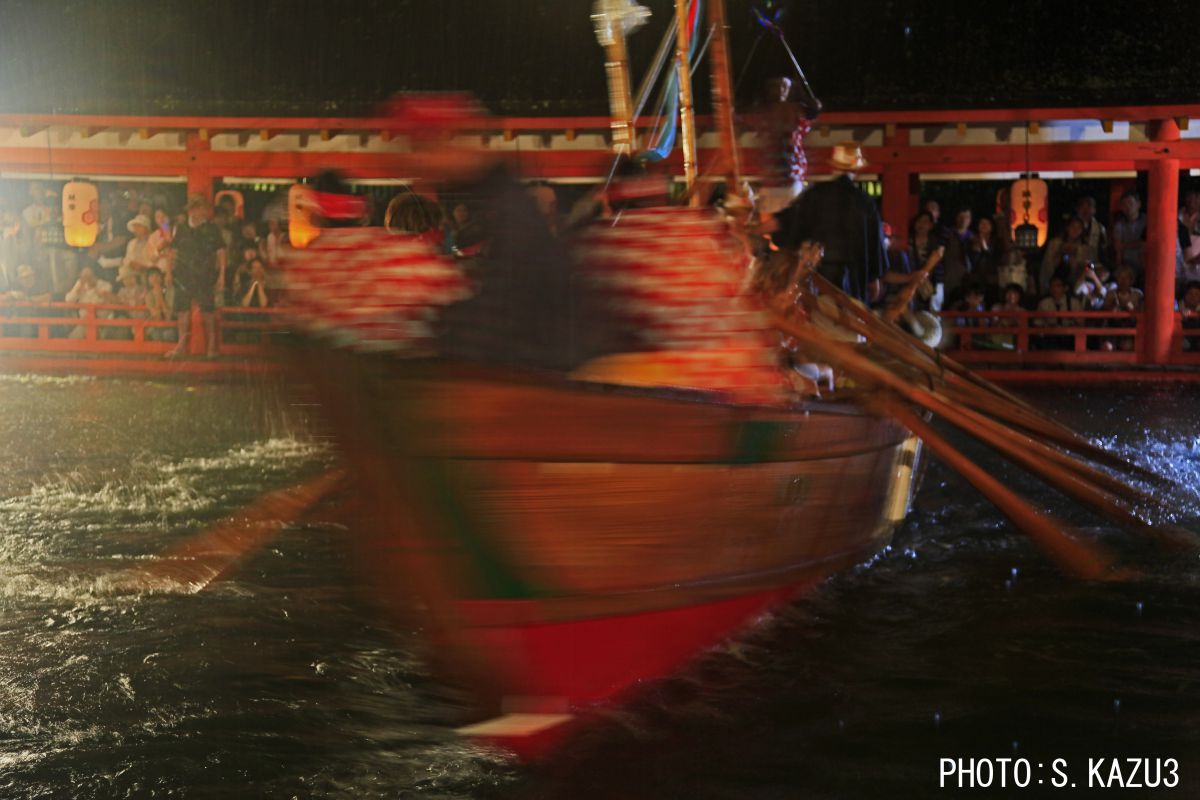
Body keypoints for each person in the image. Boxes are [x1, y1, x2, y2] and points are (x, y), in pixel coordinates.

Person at [772, 142, 886, 304]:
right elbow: (874, 244)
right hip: (854, 279)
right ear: (856, 170)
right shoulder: (865, 202)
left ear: (834, 167)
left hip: (819, 275)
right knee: (851, 314)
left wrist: (753, 229)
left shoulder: (817, 193)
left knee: (817, 311)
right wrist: (873, 277)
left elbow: (787, 222)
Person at [166, 194, 226, 358]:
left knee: (208, 311)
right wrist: (169, 272)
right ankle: (181, 347)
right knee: (182, 311)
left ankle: (211, 347)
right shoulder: (181, 228)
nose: (199, 211)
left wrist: (221, 275)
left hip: (204, 275)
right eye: (195, 208)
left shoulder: (212, 229)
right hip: (183, 274)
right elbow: (172, 252)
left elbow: (221, 252)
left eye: (201, 208)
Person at [751, 75, 821, 214]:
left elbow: (809, 117)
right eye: (779, 87)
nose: (782, 91)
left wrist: (813, 108)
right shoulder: (772, 113)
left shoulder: (791, 111)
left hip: (784, 181)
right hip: (776, 182)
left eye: (785, 87)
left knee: (786, 221)